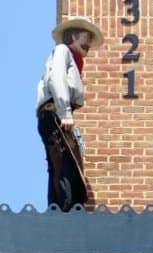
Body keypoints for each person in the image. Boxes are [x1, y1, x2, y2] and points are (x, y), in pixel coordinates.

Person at [35, 16, 103, 211]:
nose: (88, 43)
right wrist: (65, 112)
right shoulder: (62, 51)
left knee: (60, 164)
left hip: (56, 114)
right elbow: (57, 79)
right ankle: (64, 208)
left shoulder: (72, 59)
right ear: (73, 36)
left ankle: (58, 206)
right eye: (86, 37)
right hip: (55, 113)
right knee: (65, 165)